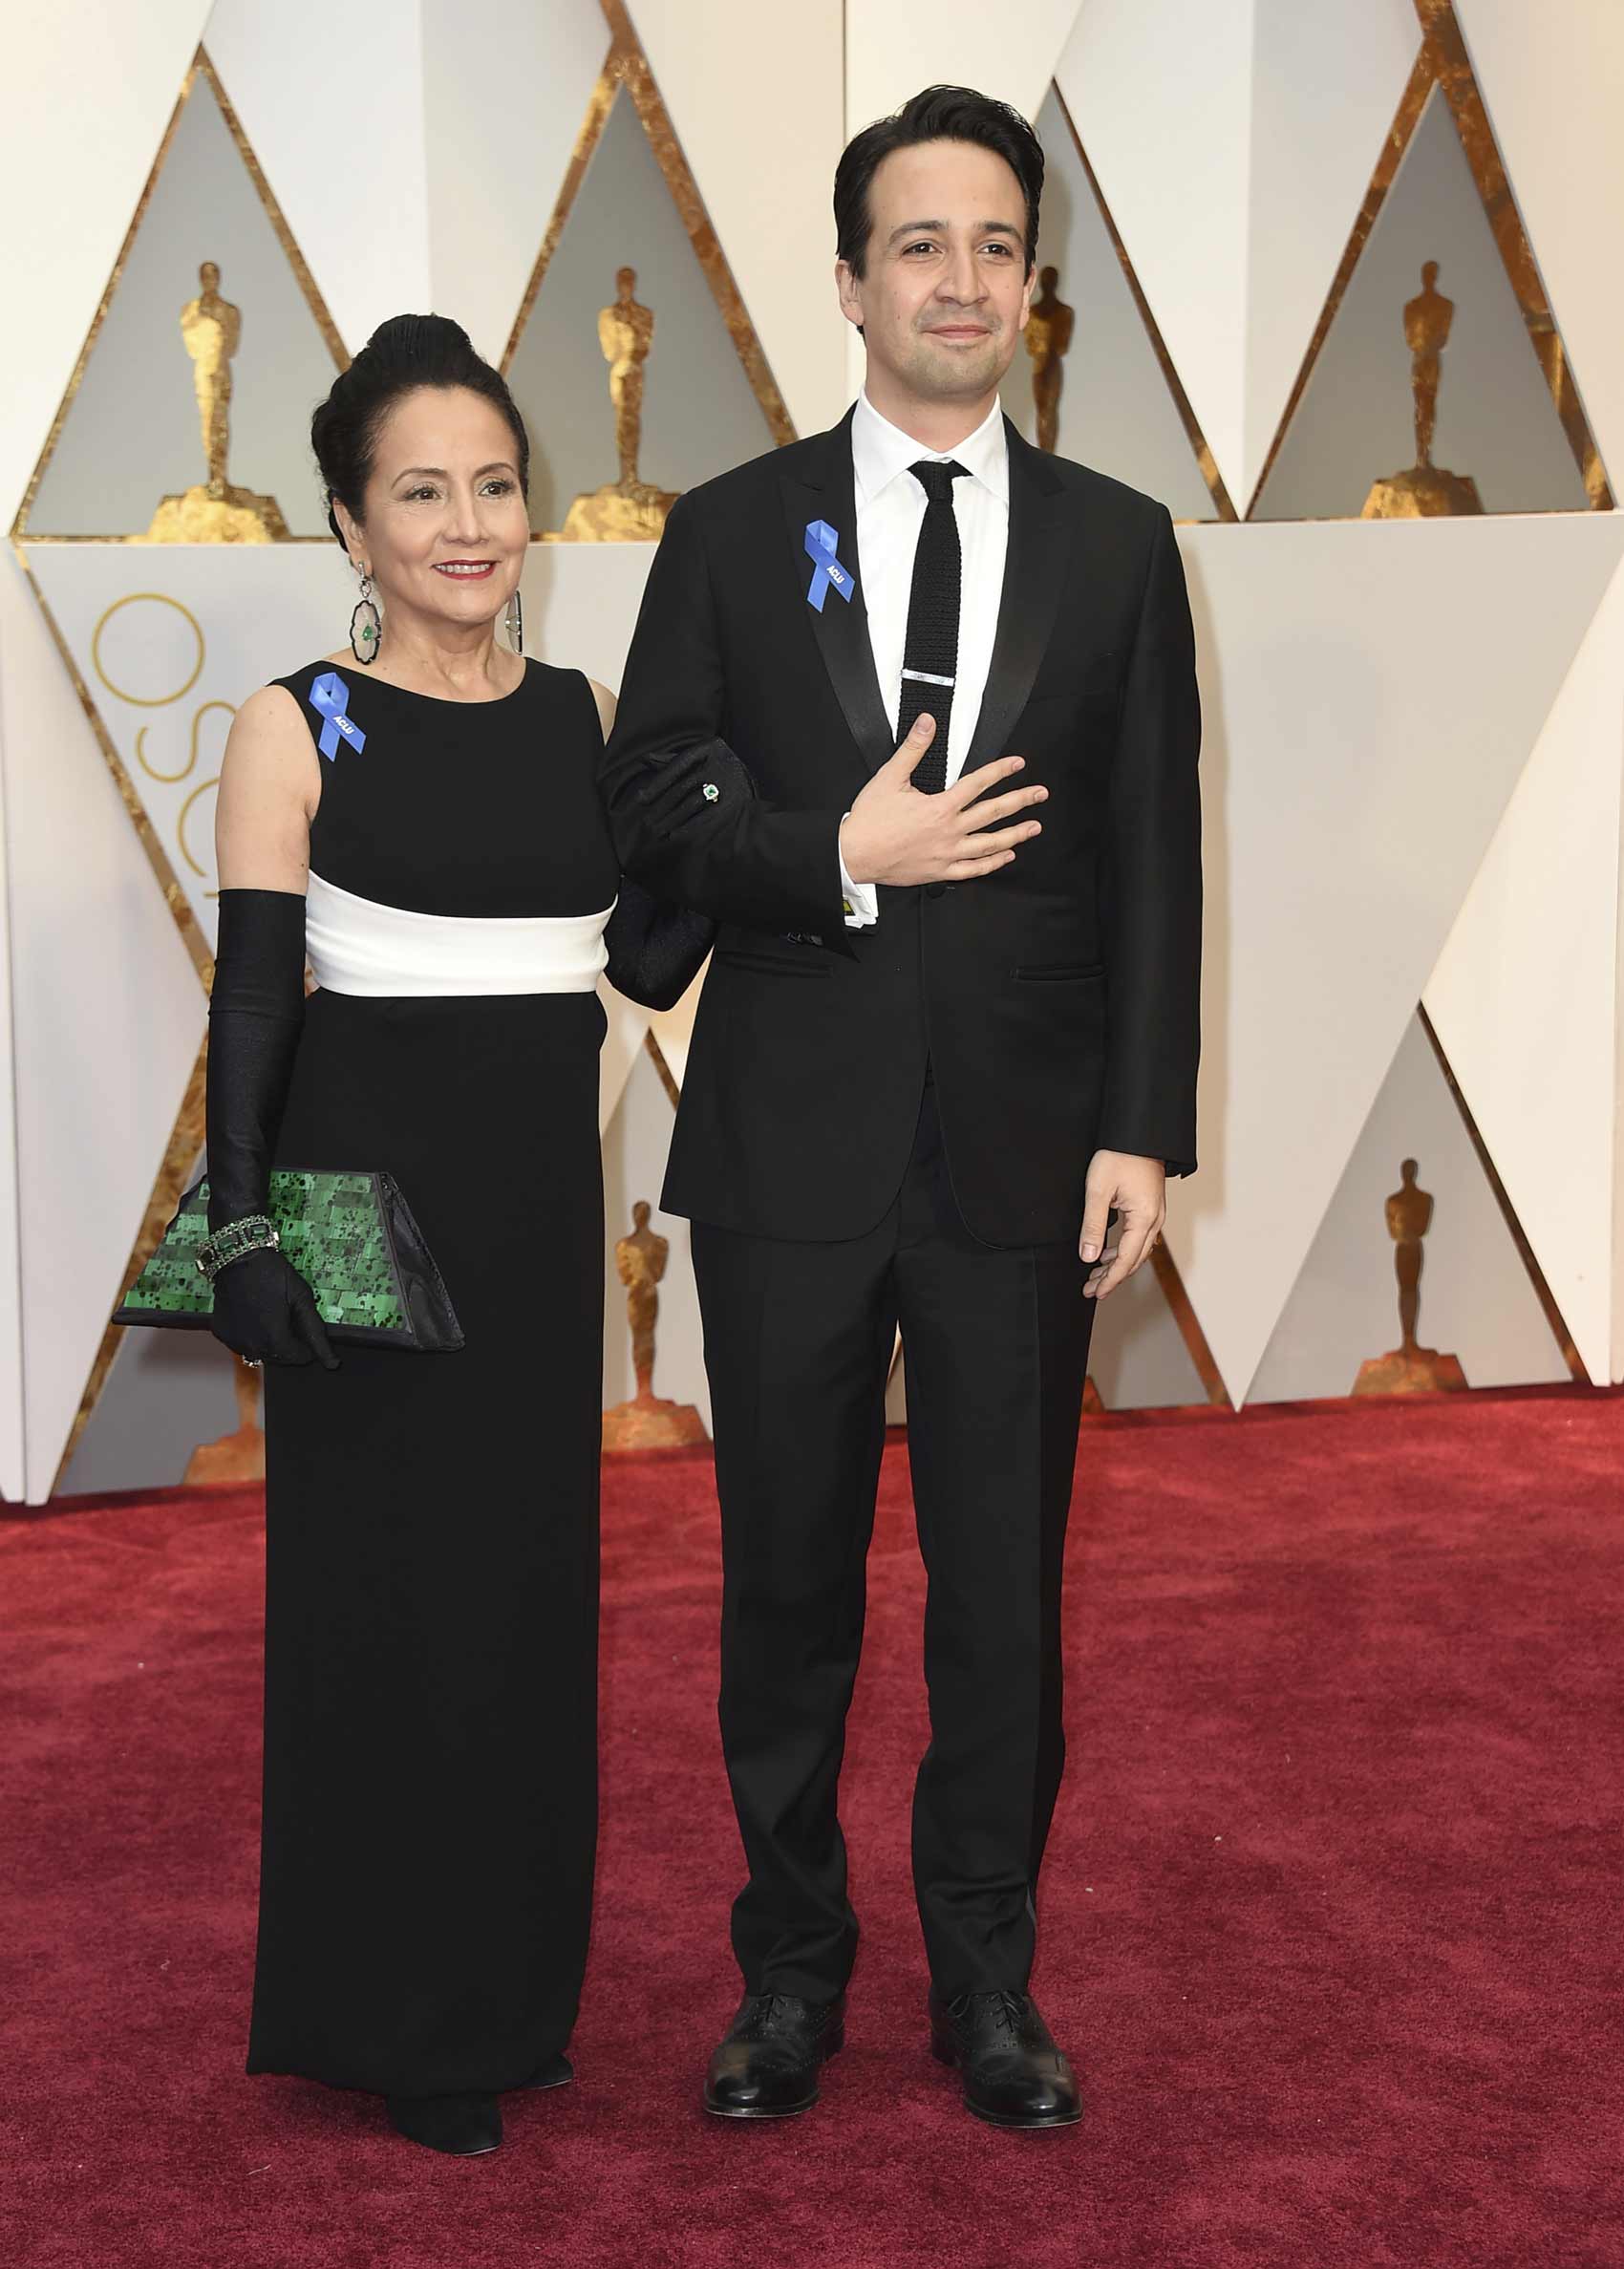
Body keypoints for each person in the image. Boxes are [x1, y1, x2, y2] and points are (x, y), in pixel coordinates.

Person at [600, 85, 1201, 2130]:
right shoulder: (730, 528)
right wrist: (840, 854)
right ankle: (788, 1981)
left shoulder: (1120, 548)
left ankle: (986, 1983)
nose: (959, 280)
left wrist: (1143, 1124)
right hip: (786, 1142)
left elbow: (1150, 856)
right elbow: (655, 805)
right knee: (782, 1586)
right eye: (918, 244)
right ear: (849, 279)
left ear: (1033, 291)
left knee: (1003, 1596)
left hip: (1029, 1159)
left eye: (995, 248)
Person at [206, 314, 696, 2157]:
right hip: (351, 1225)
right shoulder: (296, 722)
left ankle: (503, 2000)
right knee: (378, 1615)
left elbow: (632, 959)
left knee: (520, 1614)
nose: (469, 522)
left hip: (529, 1226)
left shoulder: (578, 719)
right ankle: (394, 2020)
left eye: (494, 484)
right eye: (423, 491)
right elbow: (254, 1005)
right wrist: (240, 1223)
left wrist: (765, 849)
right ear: (350, 523)